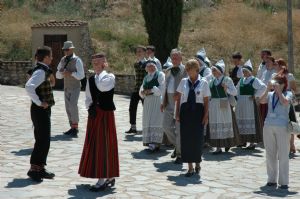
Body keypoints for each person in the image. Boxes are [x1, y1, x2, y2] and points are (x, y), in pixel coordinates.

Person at [78, 53, 119, 192]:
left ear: (104, 63)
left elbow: (102, 87)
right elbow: (88, 96)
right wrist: (89, 108)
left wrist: (102, 71)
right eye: (93, 62)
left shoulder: (109, 77)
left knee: (105, 144)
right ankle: (109, 175)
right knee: (95, 144)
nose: (95, 65)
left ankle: (103, 179)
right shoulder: (91, 79)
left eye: (98, 63)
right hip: (95, 115)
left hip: (106, 115)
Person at [25, 46, 55, 182]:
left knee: (44, 139)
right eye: (51, 56)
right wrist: (39, 102)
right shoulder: (41, 71)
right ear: (46, 58)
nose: (52, 58)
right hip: (39, 110)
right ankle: (34, 169)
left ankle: (40, 168)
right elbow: (29, 86)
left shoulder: (42, 70)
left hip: (40, 110)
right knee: (42, 139)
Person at [176, 59, 210, 177]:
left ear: (197, 70)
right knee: (186, 139)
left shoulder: (204, 82)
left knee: (197, 139)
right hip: (185, 113)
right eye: (187, 70)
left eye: (191, 70)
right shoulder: (184, 81)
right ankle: (189, 167)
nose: (189, 72)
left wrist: (206, 116)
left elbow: (206, 101)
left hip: (198, 112)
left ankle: (197, 162)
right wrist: (177, 113)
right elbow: (179, 99)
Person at [260, 74, 293, 189]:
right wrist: (267, 89)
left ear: (284, 84)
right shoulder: (270, 94)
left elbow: (285, 102)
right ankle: (271, 179)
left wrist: (279, 92)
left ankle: (284, 181)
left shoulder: (288, 93)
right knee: (270, 154)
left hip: (282, 127)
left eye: (278, 82)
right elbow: (261, 101)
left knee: (283, 154)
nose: (276, 84)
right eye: (275, 82)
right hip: (268, 125)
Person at [208, 59, 239, 154]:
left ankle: (227, 143)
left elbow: (235, 92)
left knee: (224, 122)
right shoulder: (212, 81)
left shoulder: (227, 79)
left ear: (220, 71)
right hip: (213, 104)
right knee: (215, 123)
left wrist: (227, 89)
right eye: (212, 70)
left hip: (224, 102)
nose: (213, 72)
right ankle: (218, 147)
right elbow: (209, 94)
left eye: (215, 70)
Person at [161, 48, 187, 164]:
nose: (174, 59)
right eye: (173, 58)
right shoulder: (168, 70)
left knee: (179, 129)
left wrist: (181, 95)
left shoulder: (185, 70)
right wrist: (163, 102)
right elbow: (164, 87)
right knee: (166, 126)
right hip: (169, 101)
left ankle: (180, 154)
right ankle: (178, 146)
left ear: (181, 58)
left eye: (176, 57)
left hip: (180, 102)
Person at [235, 59, 266, 150]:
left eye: (245, 71)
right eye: (243, 71)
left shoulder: (254, 80)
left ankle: (252, 142)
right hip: (241, 103)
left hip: (249, 103)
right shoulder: (241, 80)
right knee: (241, 120)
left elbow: (263, 87)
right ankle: (242, 141)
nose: (244, 73)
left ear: (249, 72)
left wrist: (255, 95)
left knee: (250, 121)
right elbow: (237, 90)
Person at [56, 41, 85, 137]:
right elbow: (58, 75)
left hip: (75, 87)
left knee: (73, 105)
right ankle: (72, 126)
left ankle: (75, 127)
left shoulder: (77, 60)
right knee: (68, 108)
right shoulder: (63, 60)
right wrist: (61, 73)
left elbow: (81, 76)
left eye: (67, 49)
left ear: (72, 49)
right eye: (64, 50)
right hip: (66, 86)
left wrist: (70, 73)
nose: (65, 51)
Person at [139, 60, 165, 151]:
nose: (150, 68)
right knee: (148, 120)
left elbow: (162, 87)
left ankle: (156, 143)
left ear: (155, 66)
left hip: (157, 100)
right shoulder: (146, 77)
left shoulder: (160, 74)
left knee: (156, 119)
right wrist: (143, 92)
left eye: (152, 66)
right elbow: (141, 89)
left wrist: (150, 90)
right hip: (148, 102)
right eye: (148, 66)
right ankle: (149, 141)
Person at [273, 59, 298, 153]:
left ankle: (291, 145)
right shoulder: (274, 75)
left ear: (281, 65)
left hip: (287, 99)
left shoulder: (289, 75)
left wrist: (286, 92)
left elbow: (295, 89)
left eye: (276, 64)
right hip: (276, 100)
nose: (274, 66)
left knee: (290, 122)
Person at [125, 45, 147, 134]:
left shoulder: (148, 63)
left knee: (146, 109)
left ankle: (146, 127)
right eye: (137, 51)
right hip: (136, 88)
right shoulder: (136, 63)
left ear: (144, 53)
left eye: (140, 51)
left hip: (144, 90)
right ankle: (133, 127)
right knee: (132, 108)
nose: (138, 53)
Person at [260, 56, 276, 124]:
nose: (267, 63)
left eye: (269, 62)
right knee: (263, 116)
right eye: (266, 62)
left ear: (273, 63)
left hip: (272, 96)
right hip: (264, 96)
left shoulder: (275, 72)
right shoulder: (264, 72)